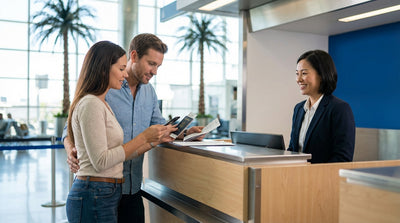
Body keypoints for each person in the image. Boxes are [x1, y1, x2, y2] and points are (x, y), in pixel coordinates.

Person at [63, 34, 205, 222]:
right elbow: (70, 128)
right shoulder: (105, 89)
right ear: (134, 56)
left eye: (158, 66)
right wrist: (71, 150)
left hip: (131, 187)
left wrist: (185, 133)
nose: (154, 71)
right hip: (99, 186)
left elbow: (160, 128)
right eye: (151, 64)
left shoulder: (149, 93)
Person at [287, 49, 355, 163]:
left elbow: (342, 158)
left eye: (304, 73)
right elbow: (293, 150)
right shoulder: (298, 109)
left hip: (322, 179)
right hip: (298, 178)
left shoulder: (339, 109)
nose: (298, 79)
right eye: (297, 74)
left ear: (321, 74)